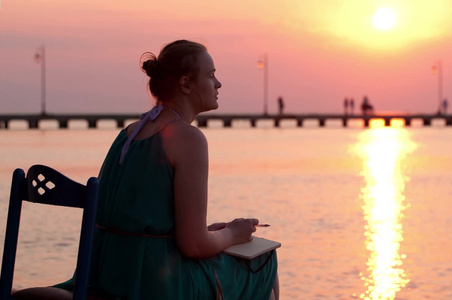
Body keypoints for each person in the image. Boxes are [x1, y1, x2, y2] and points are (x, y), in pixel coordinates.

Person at [12, 40, 279, 300]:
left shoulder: (128, 134)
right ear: (185, 84)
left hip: (106, 273)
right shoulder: (188, 139)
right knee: (263, 259)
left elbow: (138, 223)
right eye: (210, 76)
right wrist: (233, 233)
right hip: (155, 284)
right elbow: (194, 246)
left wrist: (211, 232)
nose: (218, 83)